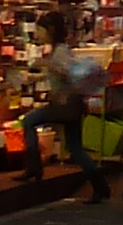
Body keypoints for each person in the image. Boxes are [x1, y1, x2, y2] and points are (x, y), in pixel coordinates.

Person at [41, 20, 111, 200]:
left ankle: (34, 169)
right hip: (73, 103)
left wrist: (61, 89)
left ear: (49, 30)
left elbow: (71, 76)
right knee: (75, 147)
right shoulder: (60, 51)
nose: (37, 33)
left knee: (30, 121)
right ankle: (100, 185)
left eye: (39, 29)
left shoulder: (59, 54)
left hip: (68, 104)